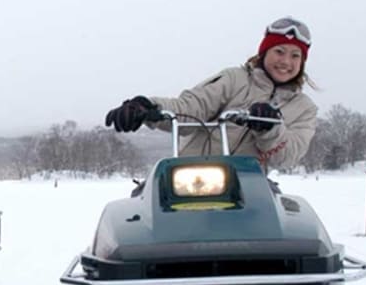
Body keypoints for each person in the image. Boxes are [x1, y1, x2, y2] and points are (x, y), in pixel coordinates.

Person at [104, 17, 318, 170]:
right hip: (192, 175)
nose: (285, 62)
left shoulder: (304, 108)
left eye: (295, 55)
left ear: (302, 62)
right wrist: (146, 107)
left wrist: (270, 129)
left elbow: (289, 156)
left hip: (250, 183)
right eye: (279, 52)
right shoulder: (234, 79)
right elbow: (191, 107)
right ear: (264, 53)